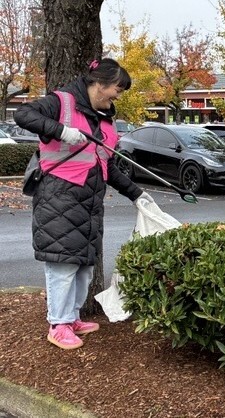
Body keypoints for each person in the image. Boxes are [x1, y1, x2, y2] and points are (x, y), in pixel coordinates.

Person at [15, 58, 153, 350]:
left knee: (83, 266)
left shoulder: (102, 119)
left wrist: (137, 194)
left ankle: (72, 317)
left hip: (89, 202)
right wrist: (61, 130)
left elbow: (107, 165)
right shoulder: (61, 103)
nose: (118, 96)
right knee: (62, 264)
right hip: (59, 198)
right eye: (116, 89)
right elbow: (24, 115)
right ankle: (58, 324)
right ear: (98, 83)